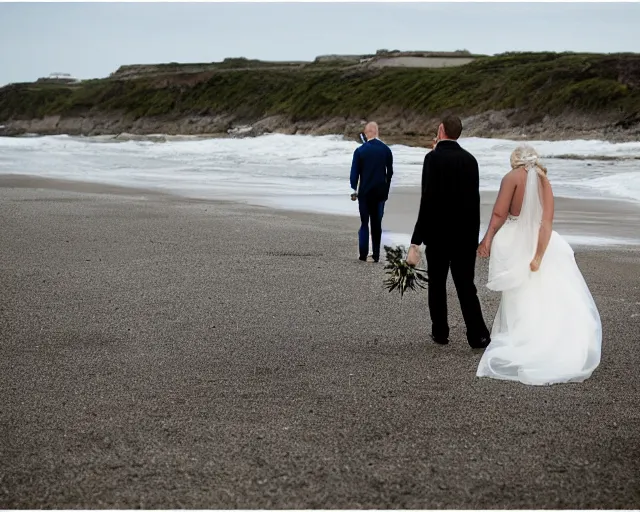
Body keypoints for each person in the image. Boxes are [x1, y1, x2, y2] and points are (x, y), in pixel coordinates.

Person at [476, 144, 602, 385]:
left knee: (519, 291)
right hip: (543, 242)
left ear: (515, 161)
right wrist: (539, 255)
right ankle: (555, 337)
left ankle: (520, 335)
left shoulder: (511, 177)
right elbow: (546, 222)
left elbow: (500, 214)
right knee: (550, 289)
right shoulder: (545, 180)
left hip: (514, 239)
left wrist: (487, 240)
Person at [408, 116, 491, 348]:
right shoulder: (470, 160)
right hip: (464, 235)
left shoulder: (432, 159)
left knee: (437, 284)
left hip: (438, 235)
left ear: (441, 130)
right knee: (466, 286)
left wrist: (416, 239)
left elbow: (428, 200)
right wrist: (475, 238)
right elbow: (474, 202)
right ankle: (478, 335)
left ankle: (441, 332)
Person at [349, 122, 394, 262]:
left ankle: (363, 254)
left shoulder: (360, 151)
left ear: (366, 132)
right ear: (377, 132)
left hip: (364, 193)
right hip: (380, 193)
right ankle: (375, 255)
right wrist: (386, 189)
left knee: (364, 223)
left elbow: (354, 174)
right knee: (376, 224)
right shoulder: (386, 150)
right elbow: (390, 172)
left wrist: (353, 190)